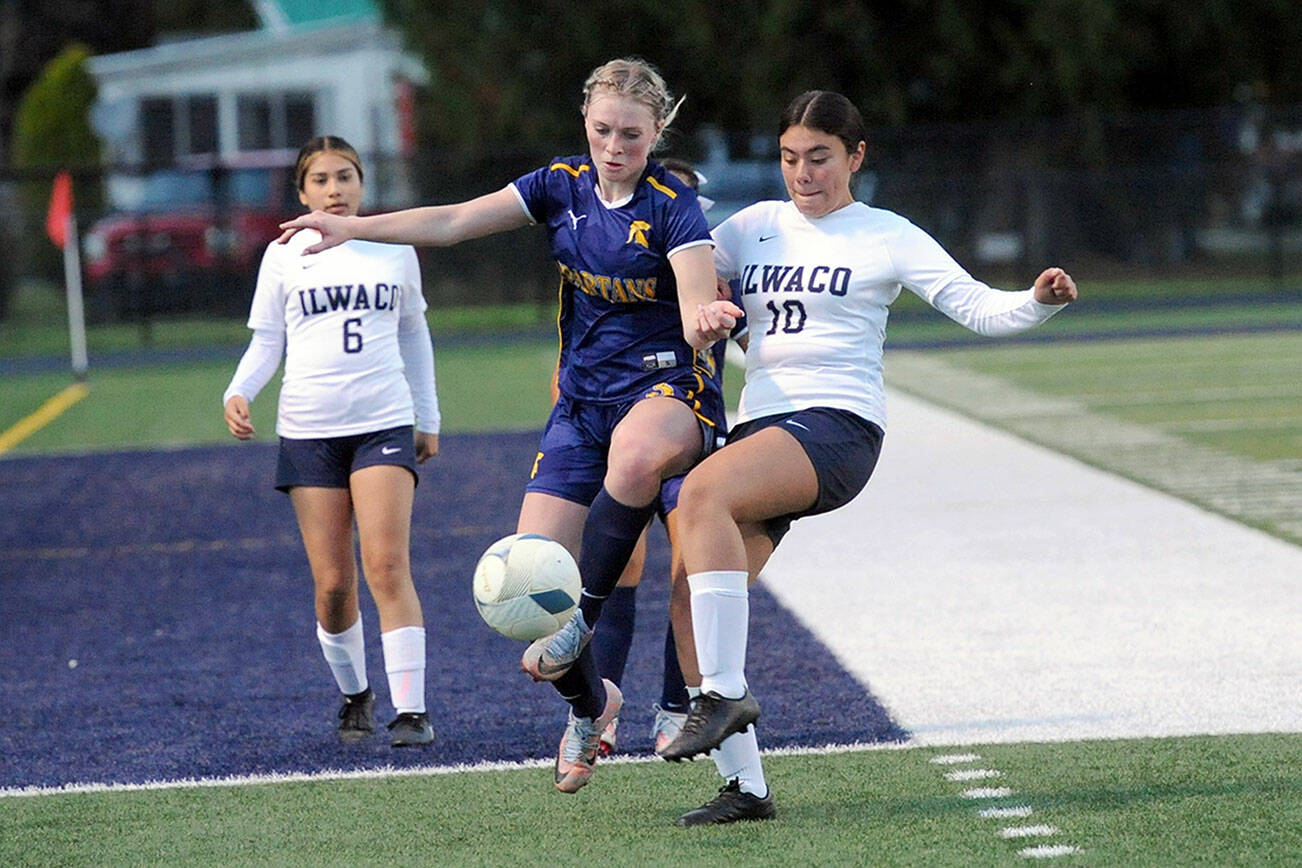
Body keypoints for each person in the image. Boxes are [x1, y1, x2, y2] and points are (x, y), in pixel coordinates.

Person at [277, 59, 743, 792]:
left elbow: (691, 310)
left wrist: (709, 319)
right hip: (581, 409)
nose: (613, 145)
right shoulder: (560, 185)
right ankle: (591, 707)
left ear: (657, 131)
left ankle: (623, 658)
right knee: (524, 583)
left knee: (636, 470)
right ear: (584, 124)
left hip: (664, 392)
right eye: (601, 130)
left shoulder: (674, 206)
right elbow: (457, 222)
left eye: (630, 133)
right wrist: (354, 227)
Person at [656, 90, 1079, 826]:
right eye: (790, 157)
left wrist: (1038, 300)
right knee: (688, 592)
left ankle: (722, 694)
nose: (802, 173)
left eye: (820, 157)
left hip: (838, 428)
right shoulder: (753, 227)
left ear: (856, 156)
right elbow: (683, 274)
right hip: (763, 431)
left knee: (700, 496)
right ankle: (746, 789)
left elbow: (977, 306)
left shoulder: (885, 234)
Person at [222, 135, 441, 747]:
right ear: (301, 192)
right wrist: (238, 392)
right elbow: (268, 341)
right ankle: (355, 693)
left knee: (387, 563)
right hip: (310, 430)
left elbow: (413, 335)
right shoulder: (284, 255)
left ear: (362, 184)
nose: (334, 189)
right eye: (320, 180)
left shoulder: (391, 246)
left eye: (345, 176)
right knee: (333, 583)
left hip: (383, 422)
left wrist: (429, 417)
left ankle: (412, 711)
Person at [586, 157, 741, 758]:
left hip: (690, 439)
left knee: (688, 573)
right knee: (619, 569)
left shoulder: (711, 276)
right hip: (628, 442)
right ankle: (602, 712)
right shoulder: (621, 284)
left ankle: (679, 710)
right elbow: (572, 365)